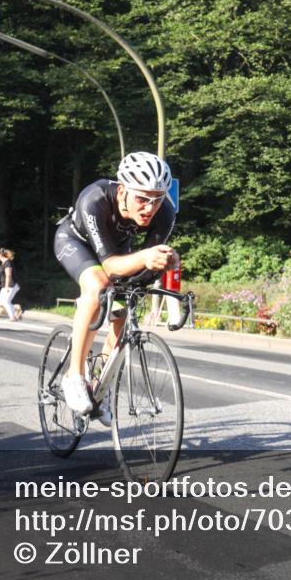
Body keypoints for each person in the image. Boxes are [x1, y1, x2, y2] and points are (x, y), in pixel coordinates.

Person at [53, 152, 178, 423]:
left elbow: (147, 264)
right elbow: (109, 266)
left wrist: (166, 262)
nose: (149, 208)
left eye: (156, 199)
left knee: (125, 308)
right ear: (122, 191)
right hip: (76, 243)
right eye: (142, 199)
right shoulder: (95, 198)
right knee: (98, 285)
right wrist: (146, 258)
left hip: (119, 250)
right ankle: (74, 376)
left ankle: (100, 387)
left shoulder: (165, 211)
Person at [0, 248, 23, 321]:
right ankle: (16, 308)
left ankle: (12, 317)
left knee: (6, 302)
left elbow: (8, 275)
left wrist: (6, 287)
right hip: (5, 285)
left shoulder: (7, 263)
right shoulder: (4, 263)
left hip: (11, 285)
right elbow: (2, 274)